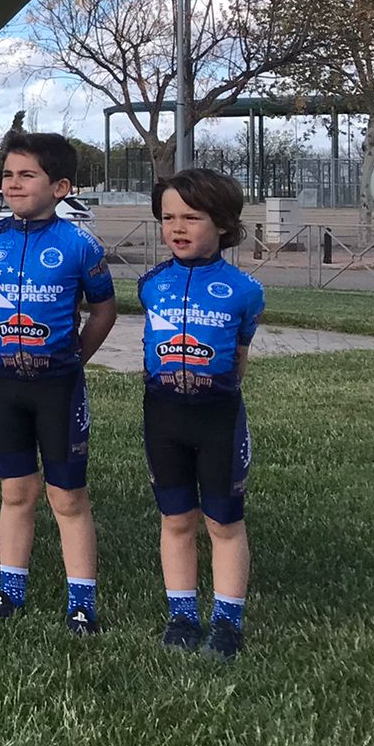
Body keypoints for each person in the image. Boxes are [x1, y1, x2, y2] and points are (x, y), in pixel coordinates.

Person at [0, 130, 117, 633]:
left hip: (58, 386)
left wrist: (75, 355)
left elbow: (104, 308)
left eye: (27, 175)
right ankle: (10, 591)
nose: (12, 183)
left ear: (60, 186)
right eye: (8, 174)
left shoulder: (80, 244)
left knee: (67, 497)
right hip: (2, 383)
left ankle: (82, 603)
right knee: (14, 492)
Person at [140, 168, 264, 661]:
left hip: (218, 418)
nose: (177, 227)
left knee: (224, 522)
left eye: (192, 217)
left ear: (223, 223)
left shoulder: (245, 290)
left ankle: (228, 621)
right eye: (168, 217)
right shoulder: (151, 284)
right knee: (176, 520)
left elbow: (240, 354)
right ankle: (182, 614)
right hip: (163, 417)